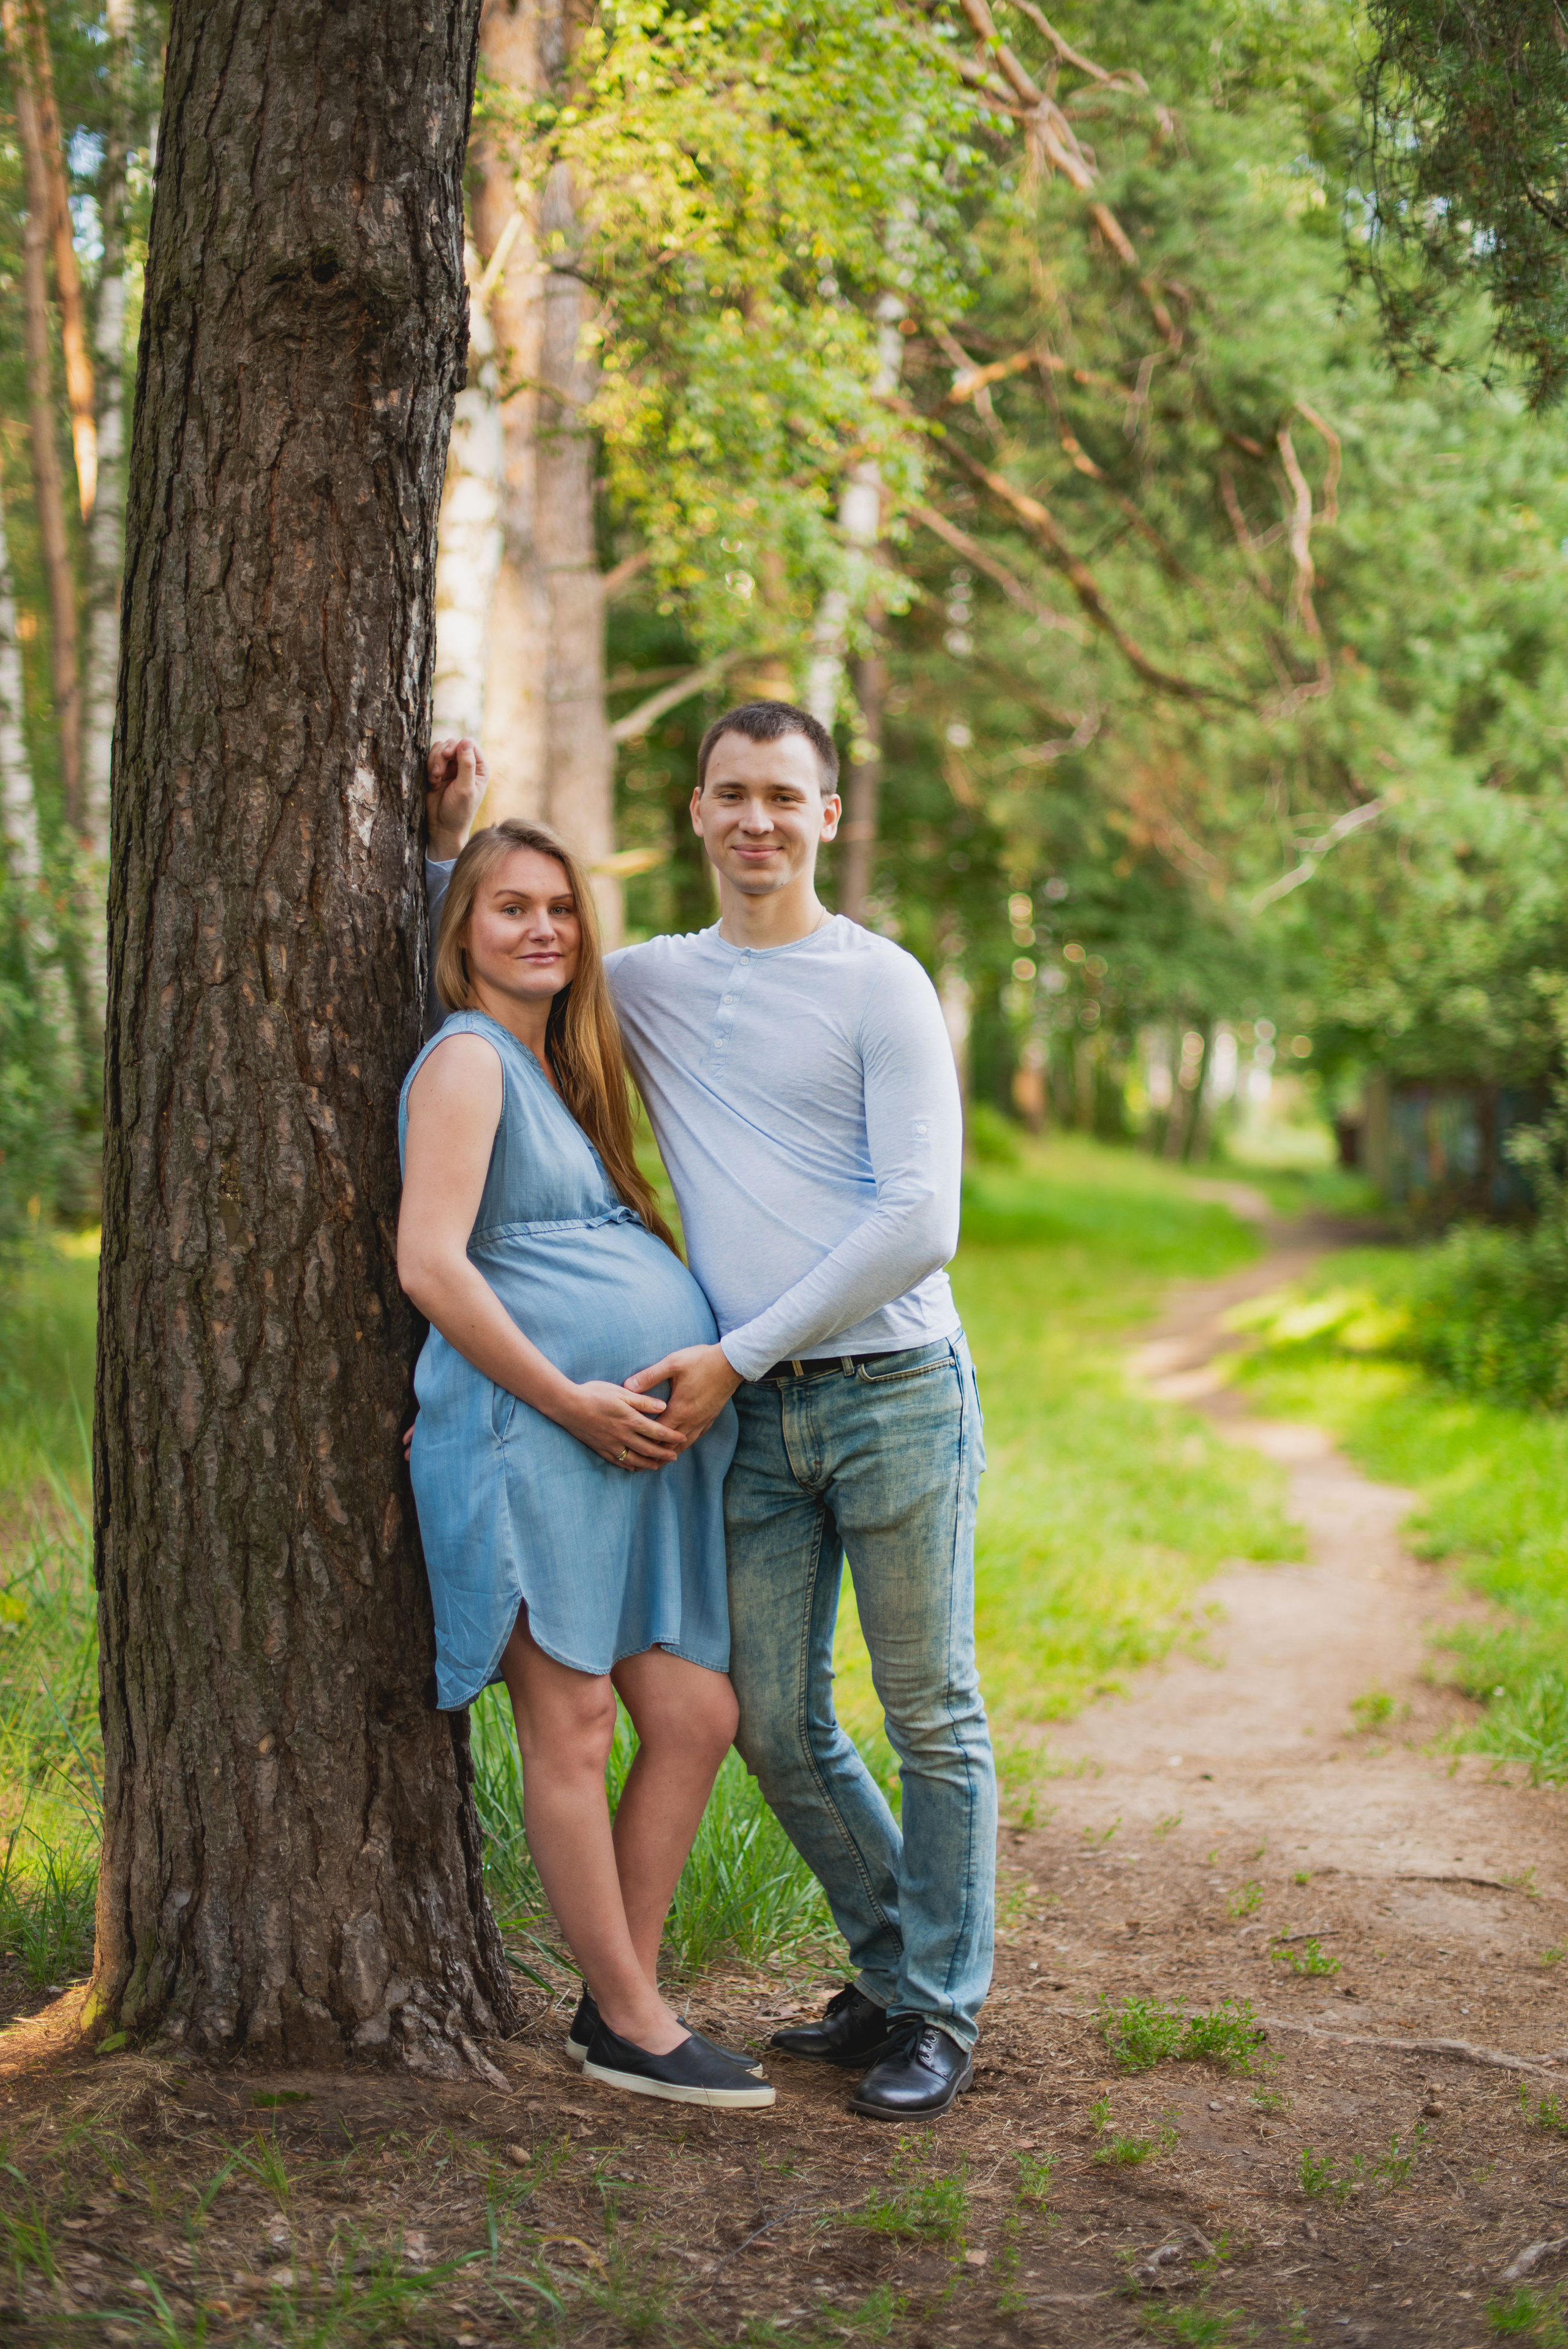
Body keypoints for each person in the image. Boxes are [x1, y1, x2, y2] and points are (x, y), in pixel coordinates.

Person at [424, 711, 995, 2120]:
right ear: (695, 812)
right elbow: (486, 949)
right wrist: (441, 846)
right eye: (731, 795)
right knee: (773, 1721)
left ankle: (938, 2009)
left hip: (887, 1392)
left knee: (930, 1711)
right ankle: (885, 1974)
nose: (757, 820)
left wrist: (733, 1351)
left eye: (782, 797)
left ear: (827, 812)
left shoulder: (883, 983)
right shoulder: (651, 983)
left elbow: (921, 1219)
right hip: (736, 1426)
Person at [398, 797, 772, 2109]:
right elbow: (430, 1264)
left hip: (620, 1454)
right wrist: (570, 1398)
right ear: (462, 934)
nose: (543, 926)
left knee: (693, 1712)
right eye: (510, 907)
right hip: (525, 1435)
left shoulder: (557, 1063)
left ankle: (624, 1995)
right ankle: (629, 2018)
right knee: (572, 1720)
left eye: (560, 909)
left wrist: (457, 850)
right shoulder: (466, 1062)